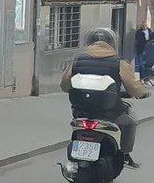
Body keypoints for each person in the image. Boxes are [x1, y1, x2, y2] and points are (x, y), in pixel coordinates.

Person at [60, 26, 148, 167]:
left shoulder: (77, 60)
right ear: (112, 43)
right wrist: (142, 92)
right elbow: (133, 88)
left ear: (88, 42)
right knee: (129, 122)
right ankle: (125, 155)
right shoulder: (119, 62)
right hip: (109, 112)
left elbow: (64, 85)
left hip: (81, 111)